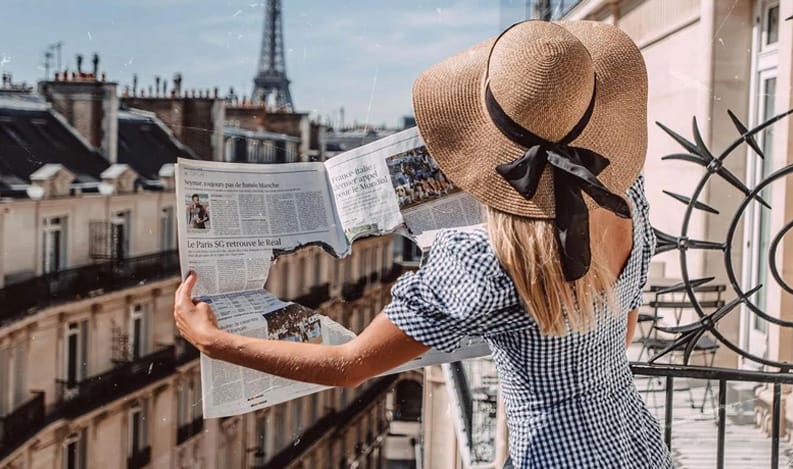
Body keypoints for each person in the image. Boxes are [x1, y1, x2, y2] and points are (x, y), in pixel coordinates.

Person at [175, 20, 672, 468]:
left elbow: (351, 367)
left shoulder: (486, 260)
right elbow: (623, 327)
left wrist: (214, 341)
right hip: (636, 445)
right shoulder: (628, 195)